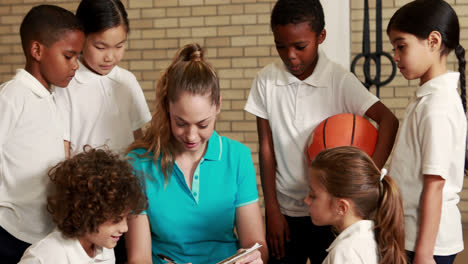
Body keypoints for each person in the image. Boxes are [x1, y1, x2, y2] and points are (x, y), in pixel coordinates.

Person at [244, 0, 399, 263]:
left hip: (330, 210)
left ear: (321, 36)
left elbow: (389, 120)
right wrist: (271, 209)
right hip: (285, 210)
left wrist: (364, 179)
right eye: (281, 46)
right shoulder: (265, 80)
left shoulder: (339, 80)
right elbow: (266, 148)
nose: (290, 55)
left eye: (300, 46)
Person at [125, 43, 267, 264]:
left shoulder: (238, 157)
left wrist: (253, 258)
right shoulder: (140, 163)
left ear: (217, 106)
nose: (191, 136)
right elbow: (139, 258)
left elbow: (255, 245)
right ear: (167, 108)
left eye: (202, 125)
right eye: (180, 123)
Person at [0, 5, 84, 263]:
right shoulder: (11, 97)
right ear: (37, 50)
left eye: (78, 56)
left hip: (45, 233)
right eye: (69, 56)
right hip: (8, 233)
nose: (76, 65)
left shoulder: (56, 98)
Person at [387, 1, 467, 263]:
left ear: (433, 41)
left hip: (428, 243)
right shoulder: (428, 98)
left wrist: (423, 252)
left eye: (401, 46)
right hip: (413, 234)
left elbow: (435, 184)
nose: (395, 57)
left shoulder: (437, 106)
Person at [55, 0, 151, 158]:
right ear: (81, 38)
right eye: (101, 47)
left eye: (119, 46)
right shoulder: (66, 84)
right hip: (81, 180)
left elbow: (137, 137)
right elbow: (62, 146)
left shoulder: (128, 81)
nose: (110, 57)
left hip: (126, 178)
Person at [18, 147, 148, 264]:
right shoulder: (45, 257)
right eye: (116, 220)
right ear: (85, 213)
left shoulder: (104, 249)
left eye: (126, 218)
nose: (125, 228)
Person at [305, 146, 406, 264]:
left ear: (341, 207)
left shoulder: (345, 254)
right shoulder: (370, 238)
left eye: (312, 195)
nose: (306, 200)